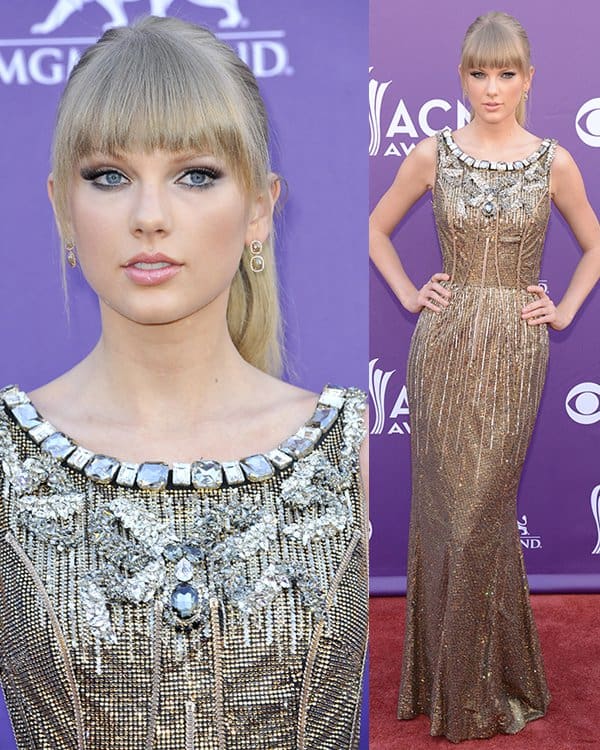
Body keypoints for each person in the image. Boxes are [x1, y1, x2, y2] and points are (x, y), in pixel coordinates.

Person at [0, 16, 368, 750]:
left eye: (195, 175)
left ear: (259, 208)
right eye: (109, 176)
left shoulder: (352, 447)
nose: (149, 217)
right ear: (61, 207)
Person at [369, 10, 600, 744]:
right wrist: (410, 293)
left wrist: (562, 307)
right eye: (478, 72)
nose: (492, 87)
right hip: (442, 345)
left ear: (529, 79)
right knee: (447, 514)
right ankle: (454, 683)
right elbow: (375, 227)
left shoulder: (555, 161)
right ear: (462, 78)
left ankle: (475, 685)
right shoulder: (432, 154)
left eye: (506, 73)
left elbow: (594, 245)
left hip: (515, 346)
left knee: (478, 515)